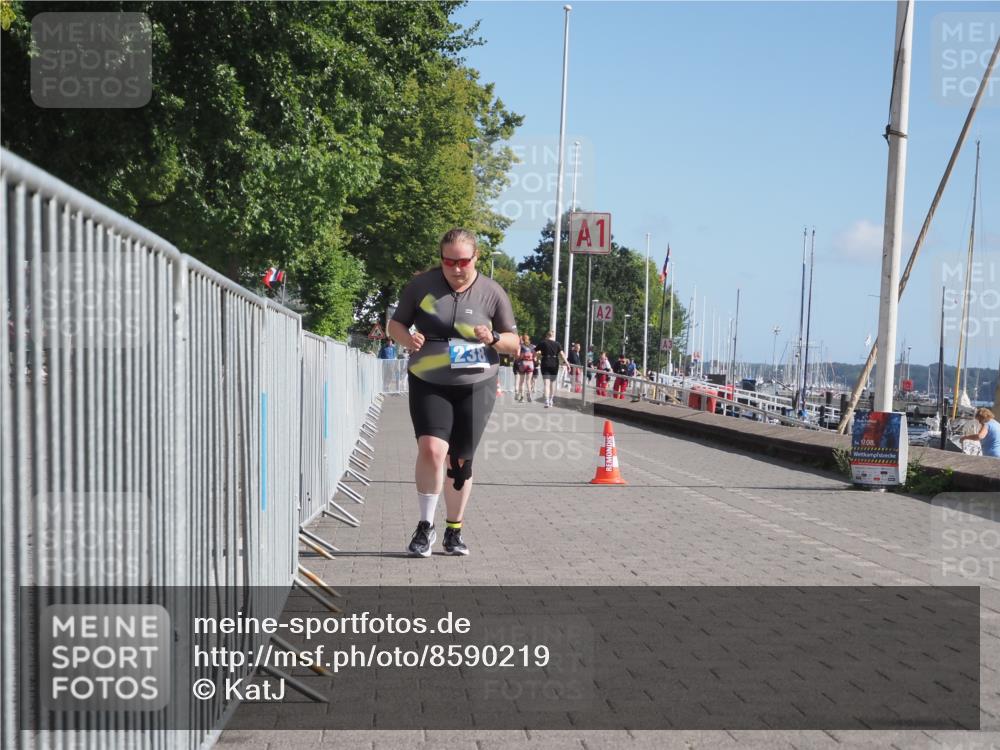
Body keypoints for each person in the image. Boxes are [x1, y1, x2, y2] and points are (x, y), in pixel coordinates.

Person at [387, 228, 519, 557]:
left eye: (463, 261)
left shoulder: (492, 292)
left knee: (460, 459)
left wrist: (492, 338)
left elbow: (514, 344)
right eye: (449, 261)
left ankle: (454, 531)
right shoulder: (422, 287)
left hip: (476, 384)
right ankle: (425, 526)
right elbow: (395, 324)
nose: (456, 268)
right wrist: (408, 339)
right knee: (432, 449)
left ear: (476, 258)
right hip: (428, 377)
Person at [535, 330, 569, 408]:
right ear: (553, 336)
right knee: (552, 383)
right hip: (554, 364)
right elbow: (562, 354)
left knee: (546, 384)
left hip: (545, 363)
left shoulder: (543, 343)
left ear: (547, 336)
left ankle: (546, 401)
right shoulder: (557, 344)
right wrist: (567, 363)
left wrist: (537, 359)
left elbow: (535, 352)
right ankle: (551, 400)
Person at [515, 334, 535, 402]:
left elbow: (518, 355)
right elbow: (535, 356)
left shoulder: (520, 346)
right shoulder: (532, 346)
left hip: (523, 363)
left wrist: (517, 358)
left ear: (522, 339)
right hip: (530, 364)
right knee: (528, 381)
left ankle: (522, 397)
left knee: (522, 382)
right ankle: (529, 396)